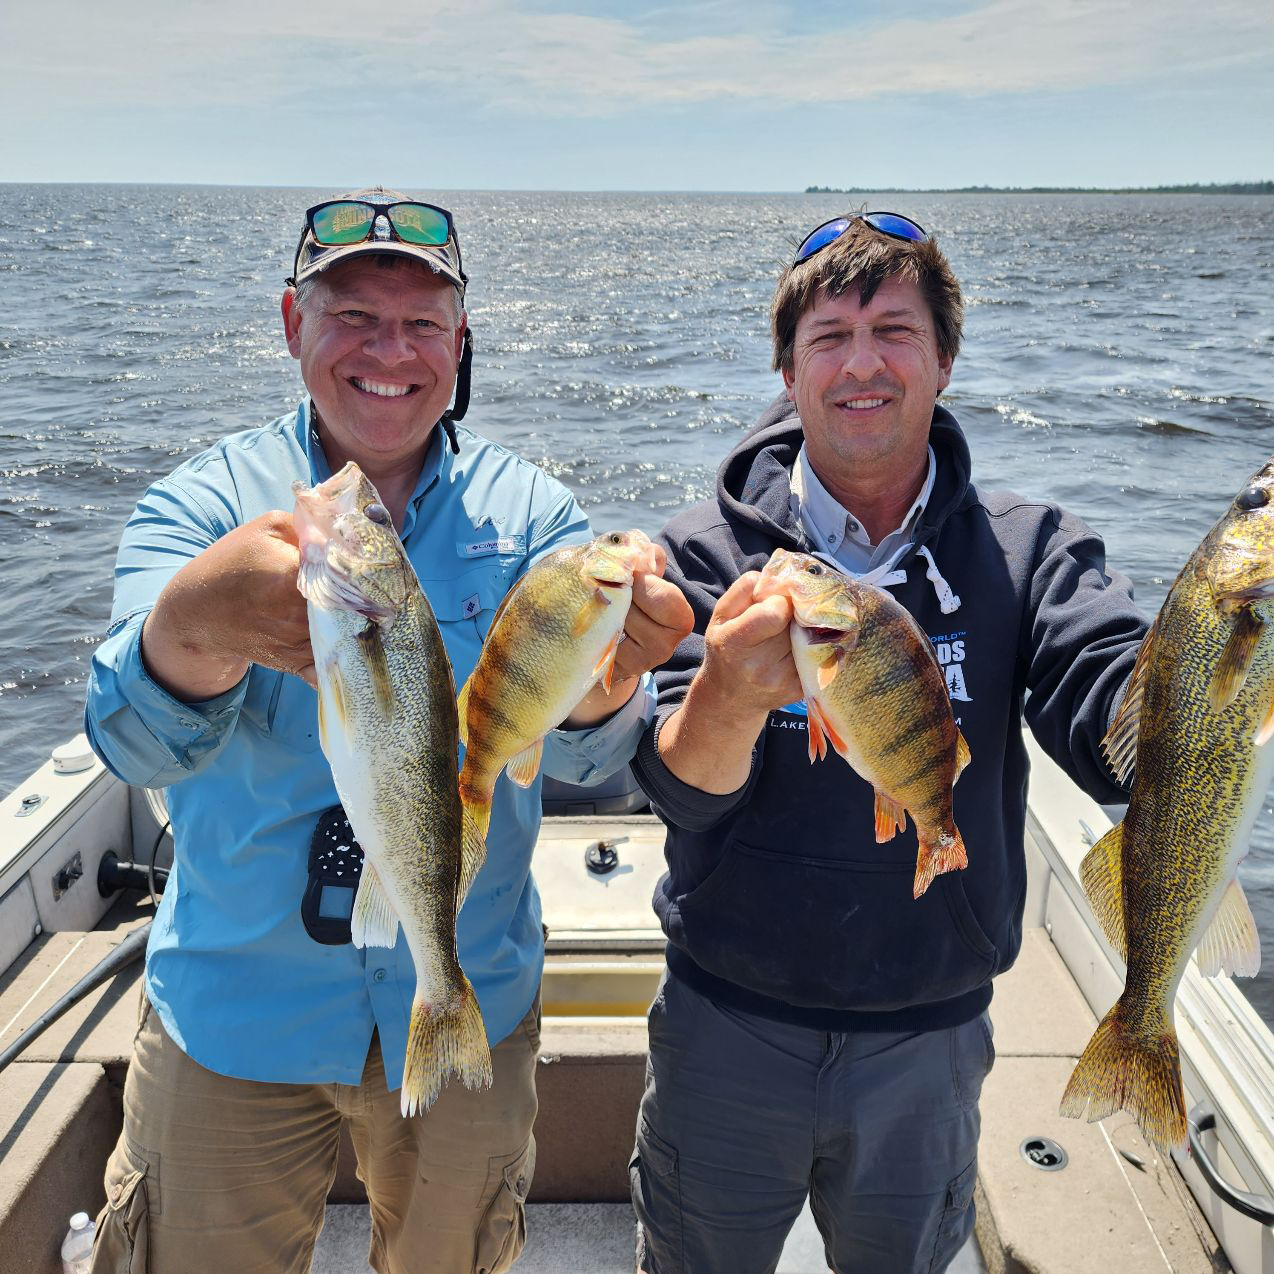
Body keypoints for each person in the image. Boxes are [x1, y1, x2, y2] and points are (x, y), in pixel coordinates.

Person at [83, 187, 692, 1274]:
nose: (388, 351)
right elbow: (130, 746)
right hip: (233, 1012)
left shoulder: (537, 521)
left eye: (421, 324)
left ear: (460, 344)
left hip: (469, 992)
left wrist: (610, 677)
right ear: (291, 325)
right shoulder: (199, 507)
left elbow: (585, 762)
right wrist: (192, 623)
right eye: (353, 315)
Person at [627, 212, 1148, 1273]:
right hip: (726, 1023)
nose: (860, 362)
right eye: (827, 336)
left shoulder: (1027, 548)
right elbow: (682, 793)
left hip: (928, 1038)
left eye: (893, 330)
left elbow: (1114, 739)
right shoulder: (704, 550)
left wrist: (1222, 649)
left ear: (944, 358)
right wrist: (727, 687)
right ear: (786, 368)